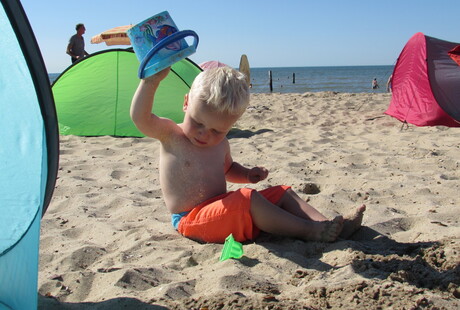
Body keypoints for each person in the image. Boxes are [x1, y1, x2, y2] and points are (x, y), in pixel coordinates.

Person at [130, 67, 365, 244]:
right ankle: (310, 231)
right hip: (191, 219)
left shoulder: (220, 145)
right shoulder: (172, 135)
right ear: (185, 103)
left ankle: (326, 225)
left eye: (217, 130)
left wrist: (247, 174)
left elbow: (228, 169)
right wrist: (150, 82)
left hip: (221, 210)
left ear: (231, 125)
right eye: (198, 122)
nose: (204, 134)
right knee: (247, 199)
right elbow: (141, 118)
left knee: (282, 192)